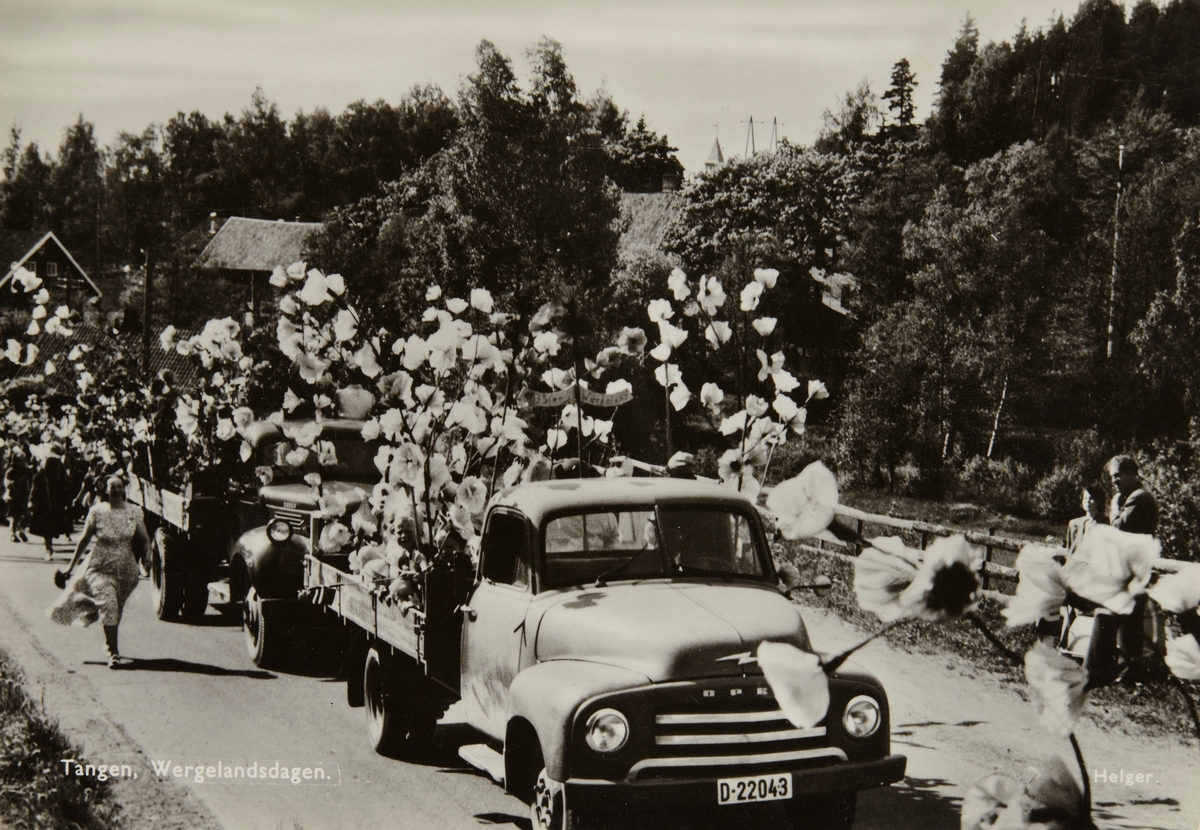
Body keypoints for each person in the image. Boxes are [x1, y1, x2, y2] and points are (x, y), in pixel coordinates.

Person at [46, 477, 150, 668]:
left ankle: (109, 641)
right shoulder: (97, 512)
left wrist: (147, 557)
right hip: (100, 567)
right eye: (113, 488)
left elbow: (144, 538)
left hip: (126, 571)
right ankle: (113, 653)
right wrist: (70, 568)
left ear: (124, 490)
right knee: (108, 604)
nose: (117, 491)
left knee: (114, 608)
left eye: (120, 487)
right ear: (106, 490)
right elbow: (84, 541)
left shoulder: (135, 511)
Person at [28, 448, 72, 561]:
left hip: (56, 506)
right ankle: (48, 549)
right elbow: (35, 490)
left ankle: (49, 547)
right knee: (47, 530)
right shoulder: (41, 476)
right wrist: (32, 502)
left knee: (52, 529)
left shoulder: (59, 476)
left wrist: (66, 502)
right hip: (44, 506)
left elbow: (65, 489)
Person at [1106, 455, 1157, 536]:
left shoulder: (1137, 497)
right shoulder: (1134, 494)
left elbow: (1118, 528)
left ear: (1130, 473)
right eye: (1112, 477)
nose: (1113, 481)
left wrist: (1115, 508)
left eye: (1117, 475)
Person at [1066, 484, 1108, 555]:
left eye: (1091, 498)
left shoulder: (1106, 523)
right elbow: (1070, 551)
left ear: (1099, 501)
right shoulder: (1073, 524)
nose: (1087, 501)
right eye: (1085, 498)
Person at [5, 444, 31, 543]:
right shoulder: (11, 471)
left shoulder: (27, 471)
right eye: (20, 460)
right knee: (14, 516)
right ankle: (13, 534)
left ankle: (22, 531)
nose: (23, 462)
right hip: (13, 496)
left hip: (24, 496)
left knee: (25, 516)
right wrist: (19, 480)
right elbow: (8, 484)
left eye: (23, 459)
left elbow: (30, 484)